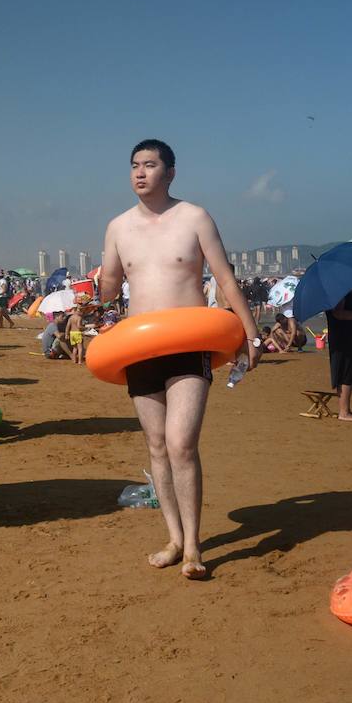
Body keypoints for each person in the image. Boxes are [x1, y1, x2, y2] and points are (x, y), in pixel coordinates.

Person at [99, 139, 260, 580]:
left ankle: (193, 546)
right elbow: (110, 289)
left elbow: (225, 277)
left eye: (150, 165)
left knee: (181, 443)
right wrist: (101, 287)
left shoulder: (194, 217)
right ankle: (173, 538)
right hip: (139, 347)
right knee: (155, 446)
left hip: (188, 343)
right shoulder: (117, 227)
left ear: (170, 173)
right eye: (134, 165)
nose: (139, 173)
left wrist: (251, 334)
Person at [326, 286, 352, 421]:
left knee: (347, 371)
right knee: (345, 372)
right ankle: (344, 412)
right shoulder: (339, 290)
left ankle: (345, 410)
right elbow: (339, 313)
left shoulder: (345, 290)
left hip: (348, 336)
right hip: (343, 337)